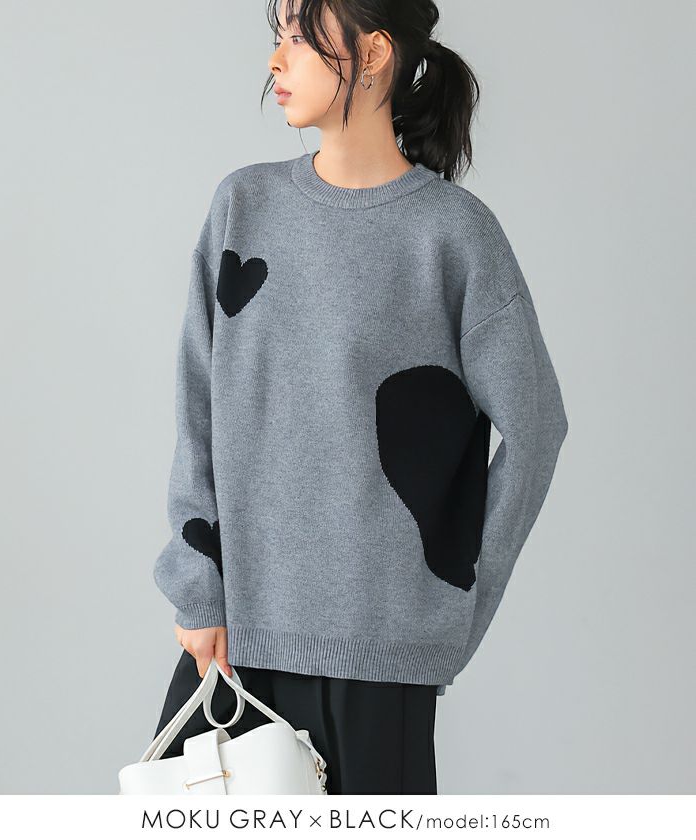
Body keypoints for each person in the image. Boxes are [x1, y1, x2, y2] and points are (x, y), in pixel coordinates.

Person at [151, 0, 569, 795]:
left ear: (372, 54)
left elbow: (537, 426)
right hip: (237, 645)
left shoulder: (453, 235)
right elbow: (198, 406)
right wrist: (196, 584)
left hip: (382, 666)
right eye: (275, 36)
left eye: (299, 38)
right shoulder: (244, 207)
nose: (275, 60)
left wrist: (454, 609)